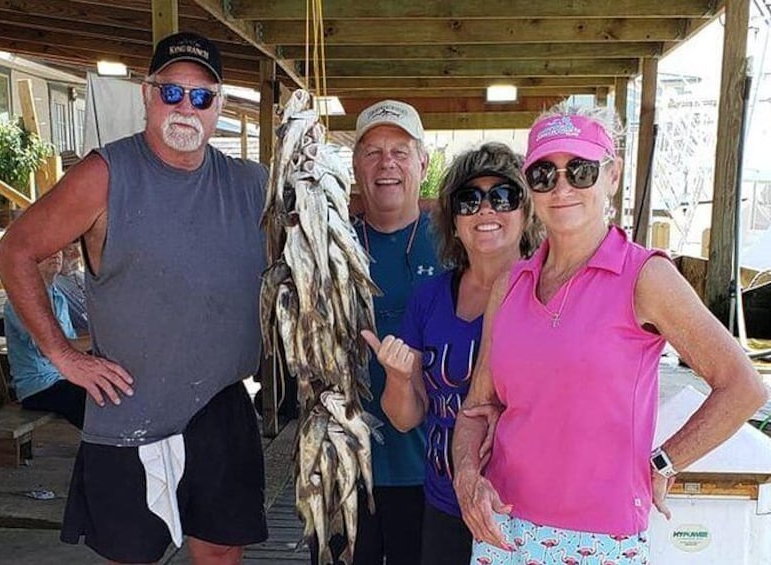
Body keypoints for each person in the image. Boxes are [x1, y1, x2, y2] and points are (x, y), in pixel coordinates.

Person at [0, 32, 268, 564]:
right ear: (147, 94)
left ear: (220, 106)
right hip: (130, 406)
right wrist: (61, 353)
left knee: (221, 550)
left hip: (221, 404)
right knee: (132, 555)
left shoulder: (251, 182)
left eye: (202, 96)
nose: (186, 107)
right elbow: (15, 251)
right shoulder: (106, 174)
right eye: (172, 93)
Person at [452, 103, 768, 564]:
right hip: (503, 529)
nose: (562, 187)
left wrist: (666, 461)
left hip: (600, 539)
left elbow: (744, 387)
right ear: (530, 187)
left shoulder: (645, 276)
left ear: (611, 175)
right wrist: (465, 477)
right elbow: (477, 410)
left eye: (579, 170)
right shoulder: (510, 284)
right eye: (544, 174)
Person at [362, 142, 539, 565]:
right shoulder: (430, 298)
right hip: (443, 500)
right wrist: (400, 378)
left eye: (503, 196)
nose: (485, 210)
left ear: (527, 211)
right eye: (469, 199)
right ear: (452, 219)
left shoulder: (548, 293)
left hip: (522, 509)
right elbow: (405, 418)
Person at [329, 100, 440, 565]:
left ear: (423, 162)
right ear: (355, 166)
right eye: (372, 152)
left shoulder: (461, 242)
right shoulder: (328, 243)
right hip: (342, 465)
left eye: (400, 150)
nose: (386, 163)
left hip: (433, 473)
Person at [4, 250, 87, 429]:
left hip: (64, 378)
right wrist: (98, 339)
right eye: (46, 250)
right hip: (39, 386)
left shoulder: (59, 297)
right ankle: (96, 453)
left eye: (57, 249)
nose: (55, 253)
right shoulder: (20, 300)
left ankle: (94, 453)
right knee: (93, 402)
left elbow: (72, 346)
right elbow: (52, 350)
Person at [54, 241, 89, 336]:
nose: (78, 255)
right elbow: (66, 335)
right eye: (70, 249)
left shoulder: (82, 276)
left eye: (78, 248)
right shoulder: (52, 285)